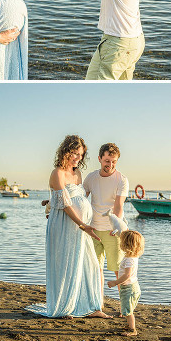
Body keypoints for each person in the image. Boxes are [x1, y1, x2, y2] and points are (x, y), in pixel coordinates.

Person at [28, 135, 111, 318]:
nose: (77, 158)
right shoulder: (57, 173)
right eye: (74, 153)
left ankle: (93, 307)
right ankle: (65, 308)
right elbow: (65, 204)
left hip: (81, 227)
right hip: (64, 225)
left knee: (87, 263)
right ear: (65, 152)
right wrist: (83, 224)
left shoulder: (77, 174)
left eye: (80, 155)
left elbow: (76, 198)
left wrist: (85, 222)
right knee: (65, 265)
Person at [83, 143, 129, 298]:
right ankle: (98, 303)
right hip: (93, 230)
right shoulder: (91, 178)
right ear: (100, 159)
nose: (110, 164)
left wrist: (115, 228)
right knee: (96, 269)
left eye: (114, 161)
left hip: (112, 232)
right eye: (107, 160)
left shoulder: (121, 180)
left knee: (119, 270)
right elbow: (81, 200)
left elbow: (118, 206)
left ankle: (124, 307)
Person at [107, 230, 144, 336]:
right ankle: (129, 325)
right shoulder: (132, 257)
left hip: (129, 288)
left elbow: (127, 275)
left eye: (122, 242)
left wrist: (115, 282)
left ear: (126, 245)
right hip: (131, 286)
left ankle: (132, 330)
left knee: (128, 310)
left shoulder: (129, 260)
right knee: (127, 308)